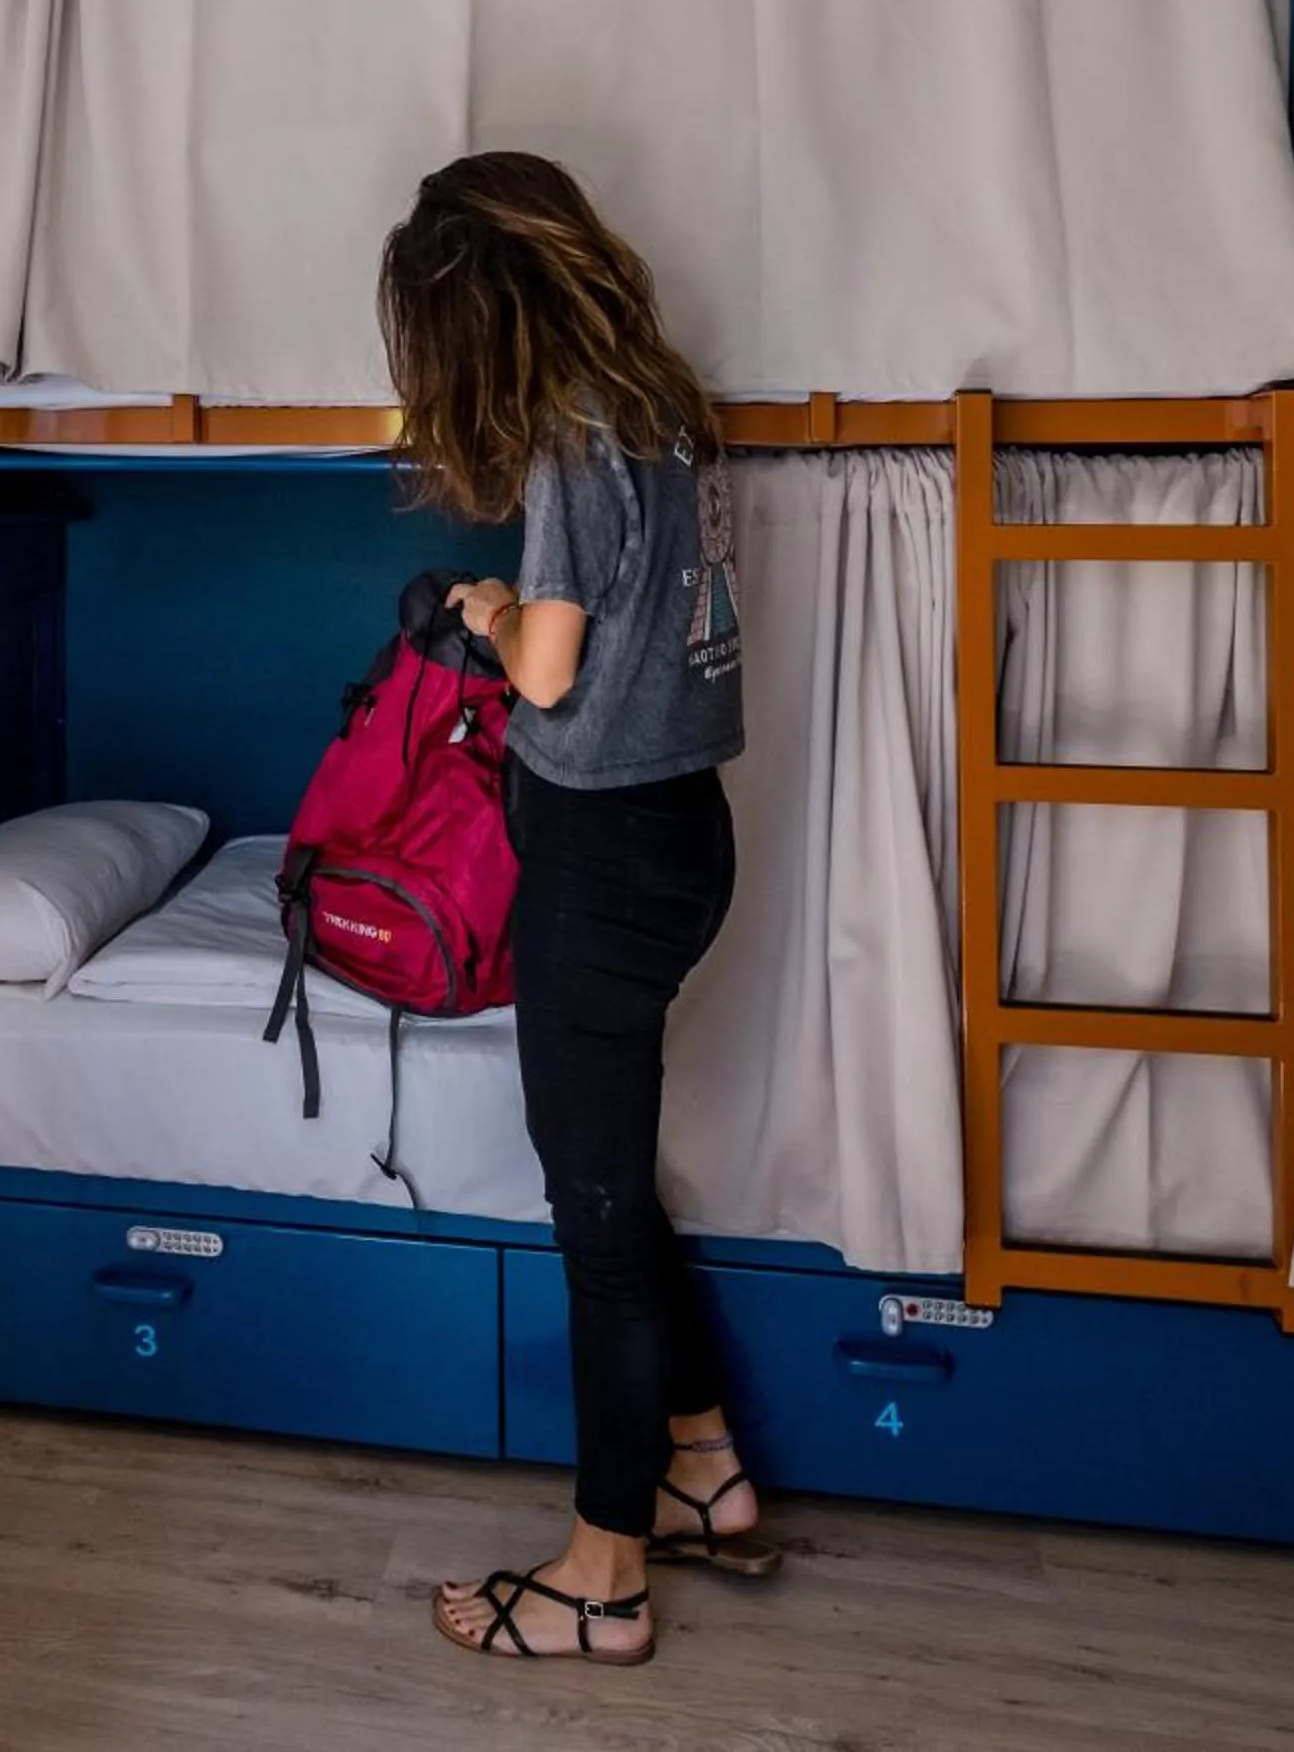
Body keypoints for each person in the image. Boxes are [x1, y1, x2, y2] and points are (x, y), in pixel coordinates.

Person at [379, 152, 770, 1665]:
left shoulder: (565, 441)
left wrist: (482, 610)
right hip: (686, 835)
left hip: (600, 864)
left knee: (593, 1216)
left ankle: (603, 1578)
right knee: (612, 1180)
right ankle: (701, 1465)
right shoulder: (669, 410)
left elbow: (545, 671)